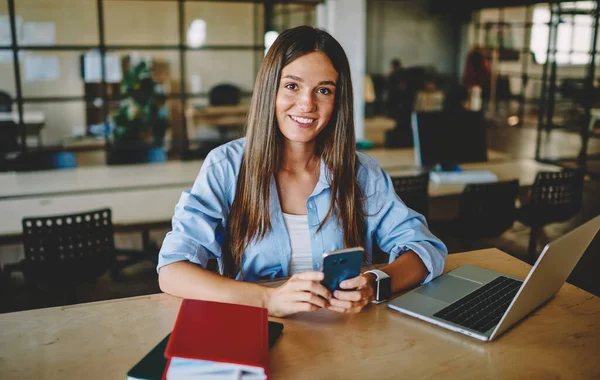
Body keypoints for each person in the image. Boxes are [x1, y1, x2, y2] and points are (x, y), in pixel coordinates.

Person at [158, 26, 447, 318]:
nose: (307, 104)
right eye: (292, 86)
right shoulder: (226, 167)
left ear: (338, 100)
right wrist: (268, 300)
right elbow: (172, 270)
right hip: (259, 331)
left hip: (347, 338)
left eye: (323, 90)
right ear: (270, 89)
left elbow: (425, 248)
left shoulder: (360, 171)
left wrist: (374, 283)